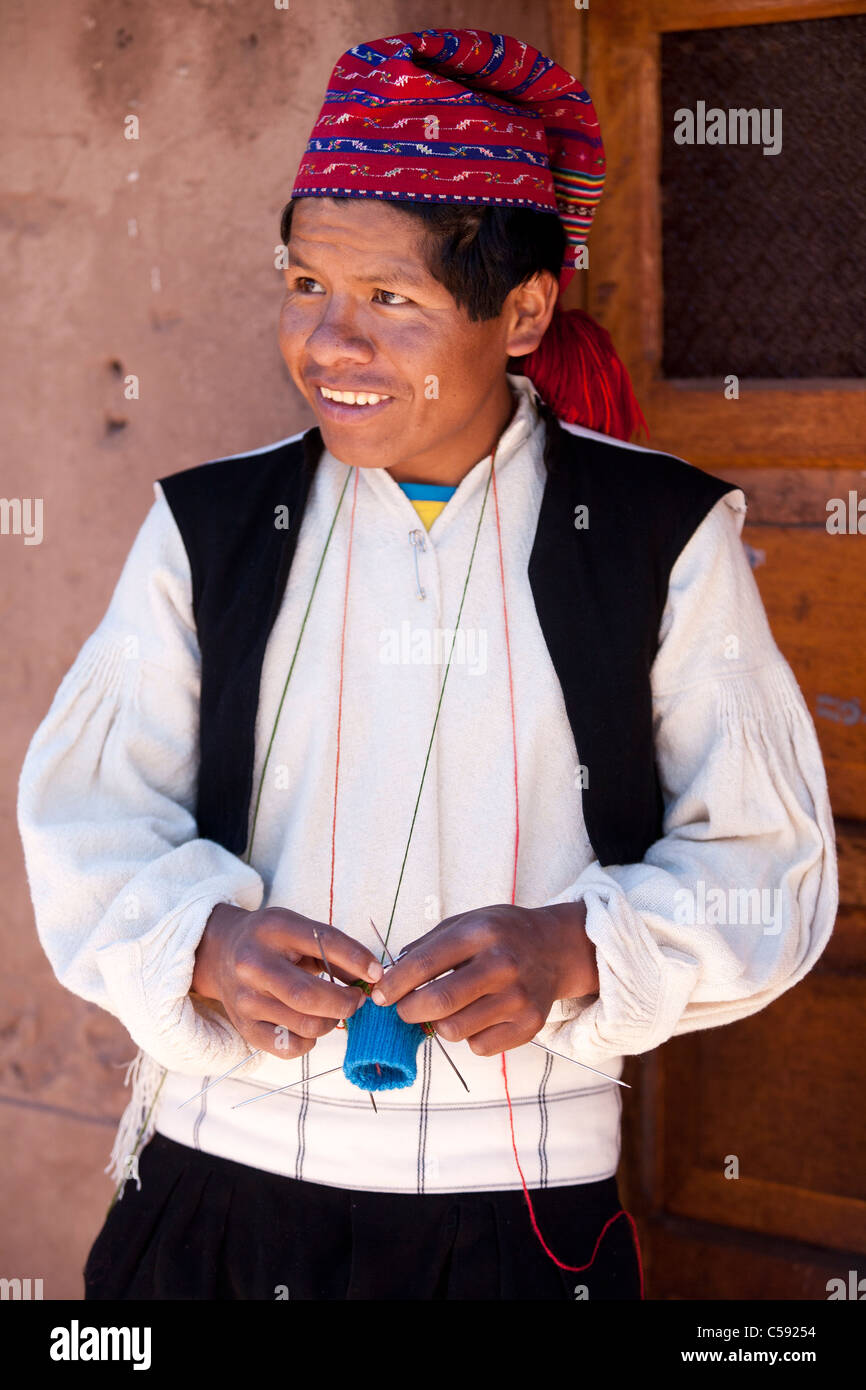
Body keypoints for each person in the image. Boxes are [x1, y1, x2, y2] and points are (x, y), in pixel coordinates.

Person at [17, 29, 837, 1302]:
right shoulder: (211, 528)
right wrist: (200, 941)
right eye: (305, 284)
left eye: (388, 299)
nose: (328, 342)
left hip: (515, 1224)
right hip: (209, 1193)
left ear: (519, 311)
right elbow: (86, 818)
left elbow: (764, 867)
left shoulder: (655, 537)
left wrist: (572, 949)